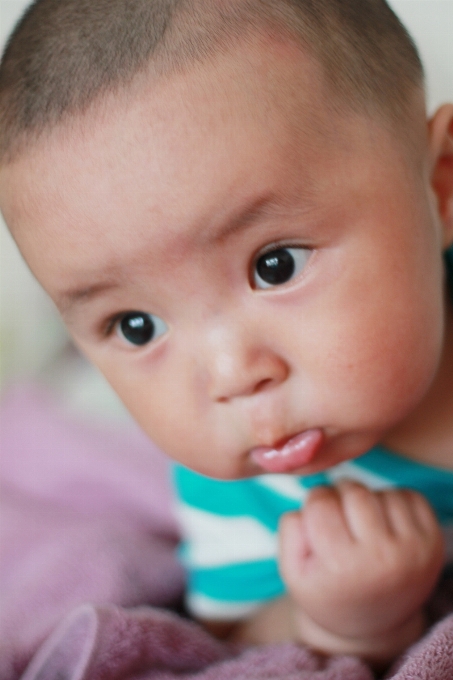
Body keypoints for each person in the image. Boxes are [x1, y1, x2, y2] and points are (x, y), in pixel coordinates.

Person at [0, 0, 452, 669]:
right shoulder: (241, 493)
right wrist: (347, 619)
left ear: (440, 188)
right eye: (135, 325)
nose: (229, 375)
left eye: (275, 266)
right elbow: (239, 633)